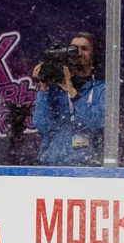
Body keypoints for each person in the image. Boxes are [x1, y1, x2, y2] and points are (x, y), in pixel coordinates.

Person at [29, 30, 105, 165]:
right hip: (50, 163)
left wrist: (72, 91)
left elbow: (95, 123)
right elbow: (42, 125)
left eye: (85, 49)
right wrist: (43, 87)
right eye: (73, 49)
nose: (78, 53)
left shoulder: (101, 89)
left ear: (94, 55)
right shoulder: (55, 87)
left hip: (86, 166)